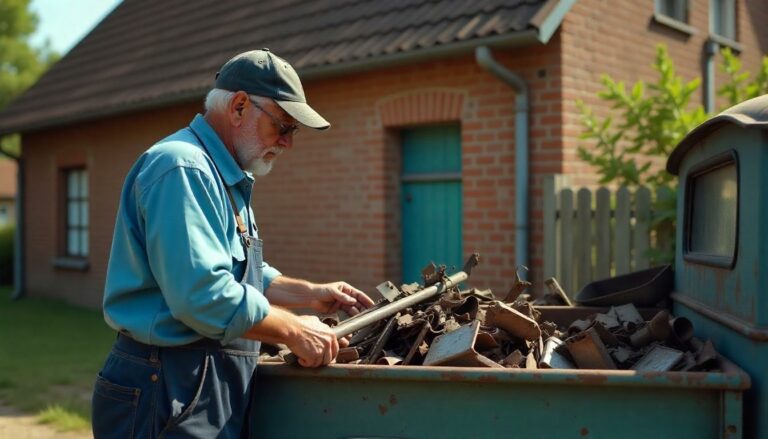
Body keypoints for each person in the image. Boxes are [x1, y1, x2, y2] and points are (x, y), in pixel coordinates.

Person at [92, 49, 374, 438]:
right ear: (240, 106)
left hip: (196, 379)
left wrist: (308, 293)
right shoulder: (183, 168)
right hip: (168, 384)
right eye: (284, 127)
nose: (288, 143)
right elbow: (204, 294)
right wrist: (294, 330)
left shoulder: (221, 173)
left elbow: (237, 271)